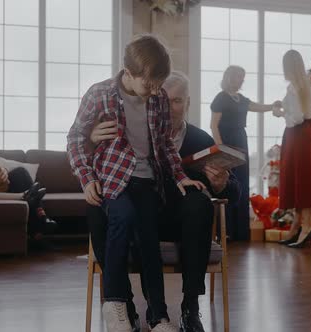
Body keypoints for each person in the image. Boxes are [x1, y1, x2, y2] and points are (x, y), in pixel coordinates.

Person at [67, 35, 205, 332]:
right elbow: (75, 138)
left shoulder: (157, 98)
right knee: (123, 216)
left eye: (159, 84)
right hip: (112, 179)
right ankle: (115, 303)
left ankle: (158, 316)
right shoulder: (99, 94)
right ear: (128, 73)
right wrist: (86, 178)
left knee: (148, 238)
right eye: (149, 84)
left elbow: (166, 145)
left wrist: (181, 177)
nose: (155, 91)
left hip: (146, 181)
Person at [88, 71, 240, 332]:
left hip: (179, 224)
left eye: (178, 101)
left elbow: (235, 193)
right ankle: (127, 309)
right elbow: (97, 162)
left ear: (188, 104)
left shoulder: (200, 139)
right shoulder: (131, 134)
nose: (169, 108)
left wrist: (221, 183)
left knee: (200, 203)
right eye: (163, 99)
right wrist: (92, 139)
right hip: (137, 219)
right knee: (102, 206)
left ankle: (190, 308)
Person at [210, 65, 280, 241]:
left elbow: (257, 106)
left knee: (241, 182)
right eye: (238, 76)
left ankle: (240, 232)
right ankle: (226, 231)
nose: (241, 80)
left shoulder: (240, 99)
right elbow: (213, 125)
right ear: (229, 78)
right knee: (228, 183)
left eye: (243, 77)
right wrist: (220, 150)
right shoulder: (221, 98)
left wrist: (273, 106)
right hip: (226, 143)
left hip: (241, 140)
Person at [273, 50, 311, 248]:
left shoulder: (300, 88)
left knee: (302, 179)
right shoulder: (301, 86)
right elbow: (299, 111)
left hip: (298, 134)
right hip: (299, 135)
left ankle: (306, 227)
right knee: (298, 179)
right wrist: (281, 107)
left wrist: (280, 113)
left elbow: (298, 117)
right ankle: (297, 225)